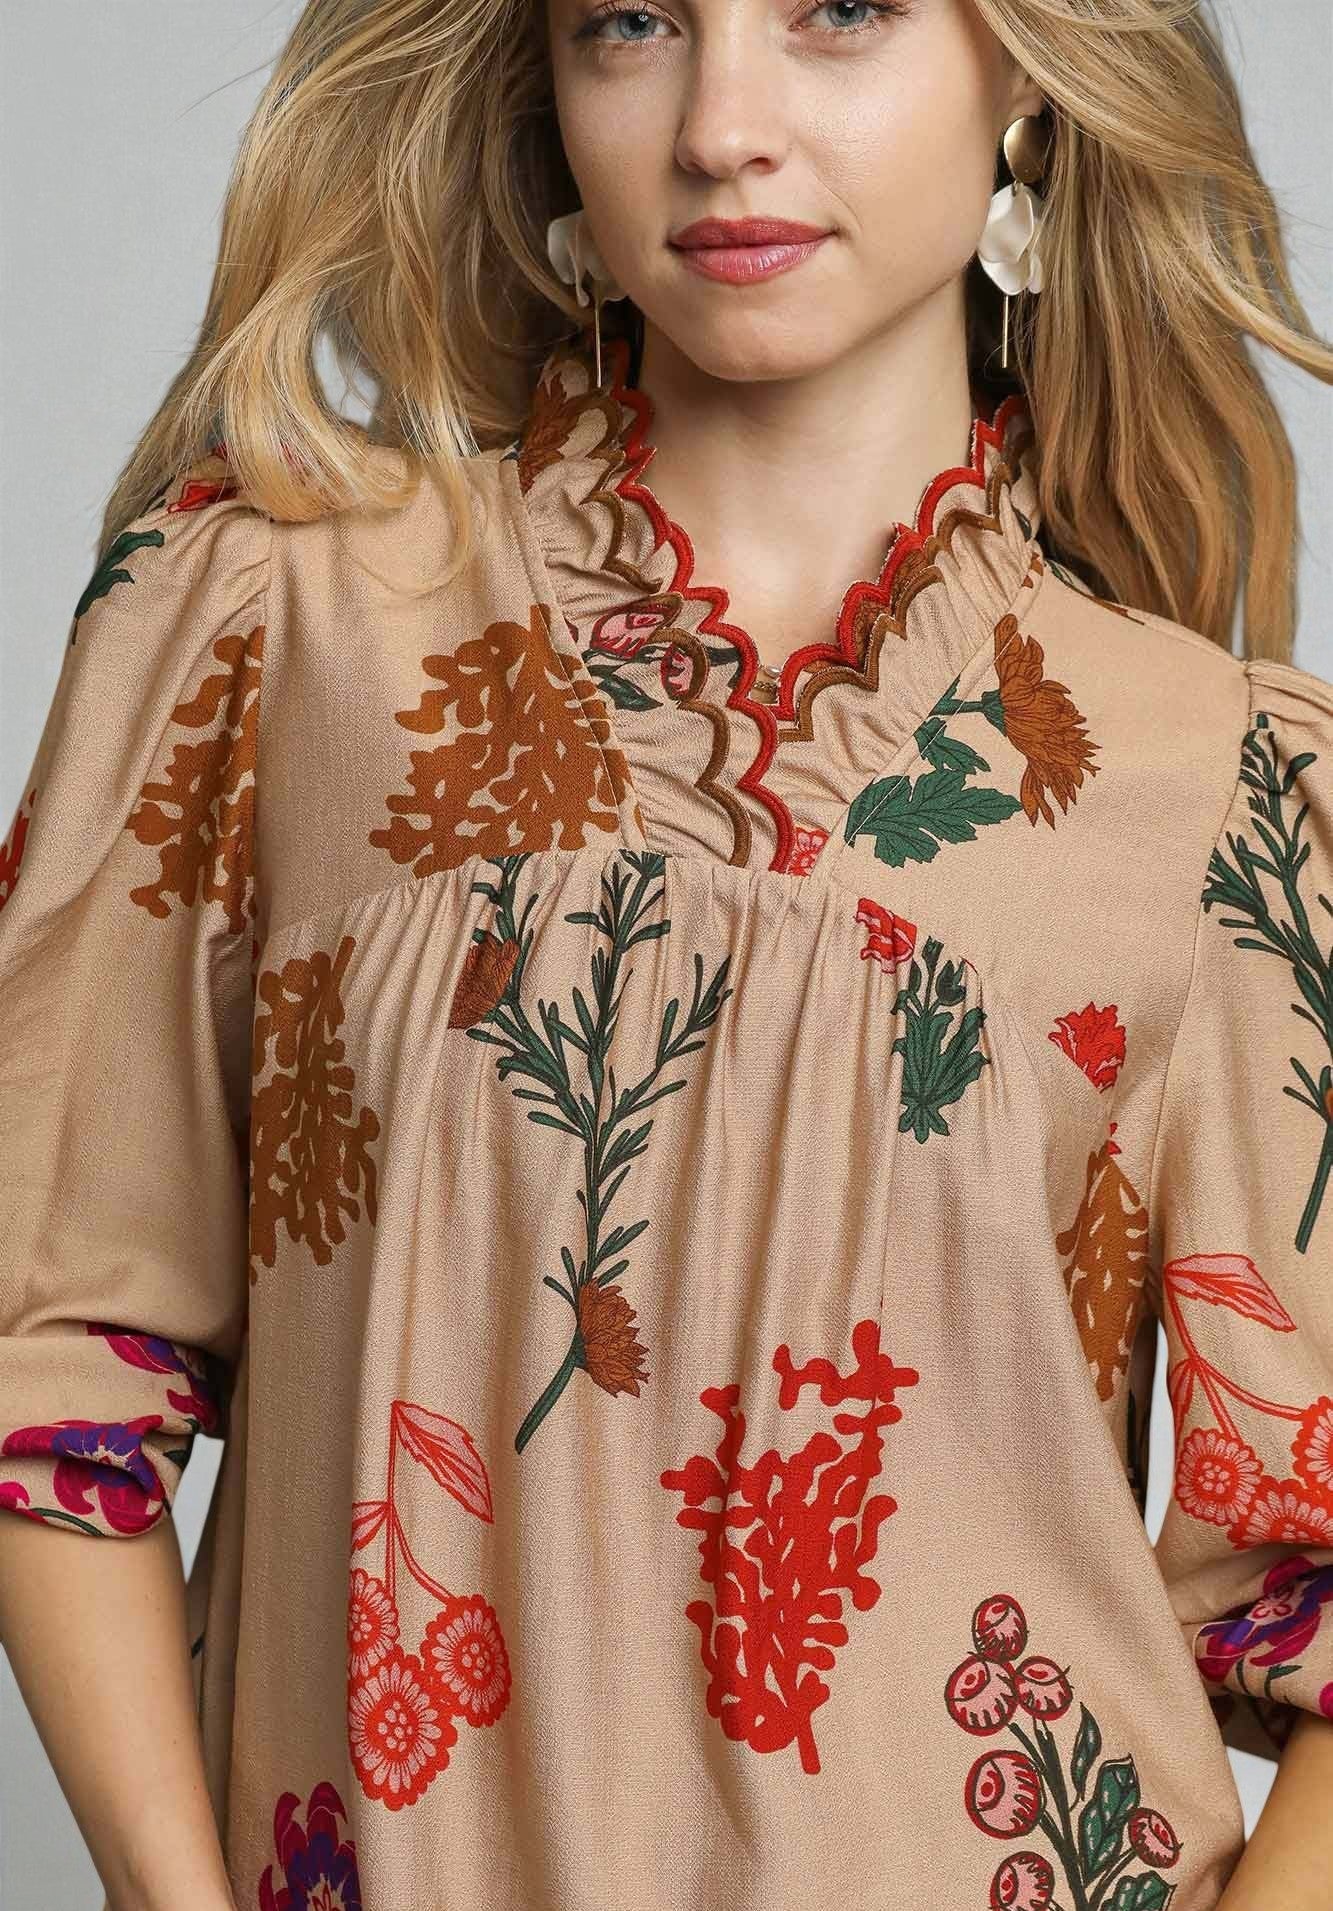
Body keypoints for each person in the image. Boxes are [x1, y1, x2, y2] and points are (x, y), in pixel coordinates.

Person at [1, 0, 1331, 1906]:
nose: (722, 125)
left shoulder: (1206, 780)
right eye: (633, 22)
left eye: (840, 14)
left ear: (1026, 68)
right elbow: (46, 1356)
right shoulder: (280, 627)